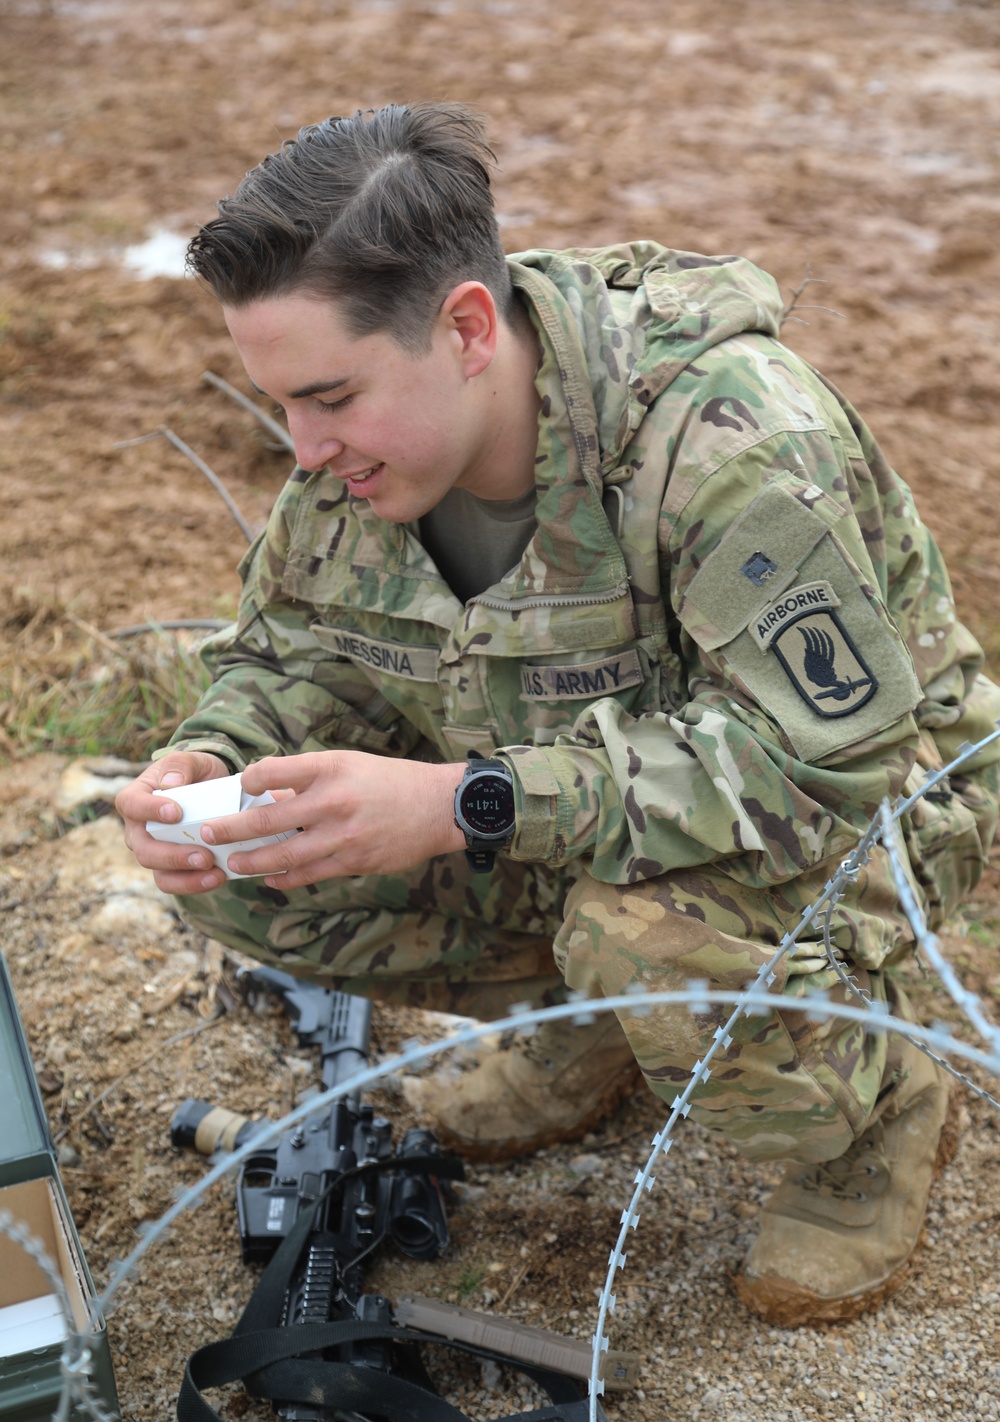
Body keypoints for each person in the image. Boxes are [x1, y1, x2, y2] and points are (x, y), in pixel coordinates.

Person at [116, 102, 1000, 1329]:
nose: (302, 448)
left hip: (871, 806)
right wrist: (217, 753)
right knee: (247, 853)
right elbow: (302, 652)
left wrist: (463, 802)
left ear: (466, 328)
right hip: (573, 800)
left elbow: (822, 767)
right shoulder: (368, 460)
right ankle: (587, 1031)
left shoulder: (721, 434)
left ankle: (875, 1106)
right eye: (284, 406)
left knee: (638, 935)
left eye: (328, 397)